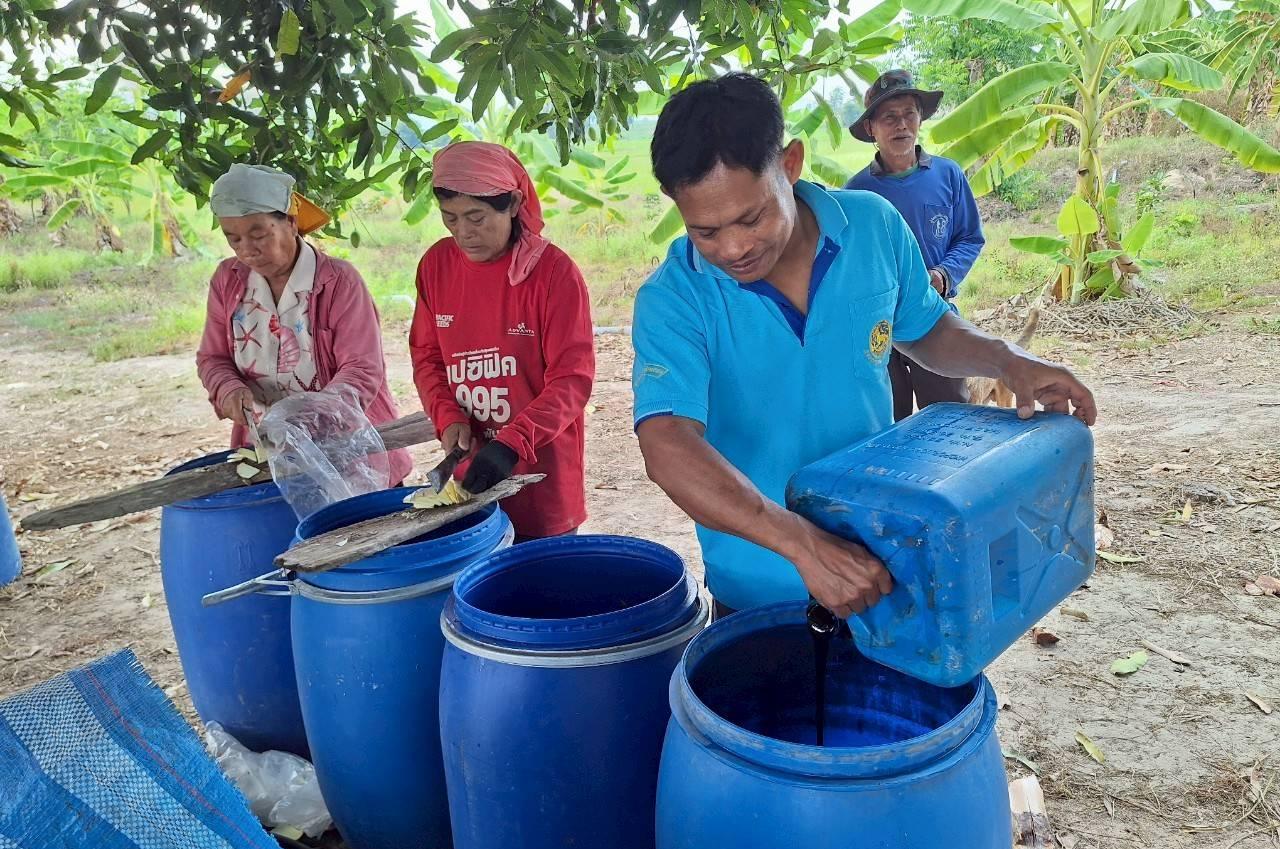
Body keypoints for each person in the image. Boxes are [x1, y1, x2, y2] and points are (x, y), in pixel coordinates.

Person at [631, 73, 1096, 621]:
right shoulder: (673, 298)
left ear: (790, 165)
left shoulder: (872, 227)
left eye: (751, 217)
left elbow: (925, 328)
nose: (733, 248)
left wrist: (1006, 359)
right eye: (705, 232)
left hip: (886, 559)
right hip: (756, 586)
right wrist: (801, 544)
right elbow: (667, 444)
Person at [409, 141, 595, 541]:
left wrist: (513, 442)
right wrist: (448, 417)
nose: (463, 233)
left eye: (476, 217)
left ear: (512, 204)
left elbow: (572, 380)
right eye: (450, 218)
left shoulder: (553, 274)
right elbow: (427, 357)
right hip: (469, 484)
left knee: (546, 596)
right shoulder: (436, 267)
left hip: (542, 483)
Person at [197, 163, 412, 484]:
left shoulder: (338, 282)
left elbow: (361, 370)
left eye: (259, 235)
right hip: (268, 450)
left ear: (292, 223)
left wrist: (306, 422)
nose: (247, 251)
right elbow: (212, 359)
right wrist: (228, 390)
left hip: (347, 448)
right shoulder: (228, 281)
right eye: (234, 239)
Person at [846, 69, 986, 421]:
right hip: (880, 326)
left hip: (933, 317)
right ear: (870, 129)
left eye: (909, 114)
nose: (901, 125)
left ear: (920, 119)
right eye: (889, 118)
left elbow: (969, 237)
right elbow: (851, 263)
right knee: (886, 419)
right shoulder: (855, 193)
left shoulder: (948, 175)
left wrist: (943, 275)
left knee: (950, 414)